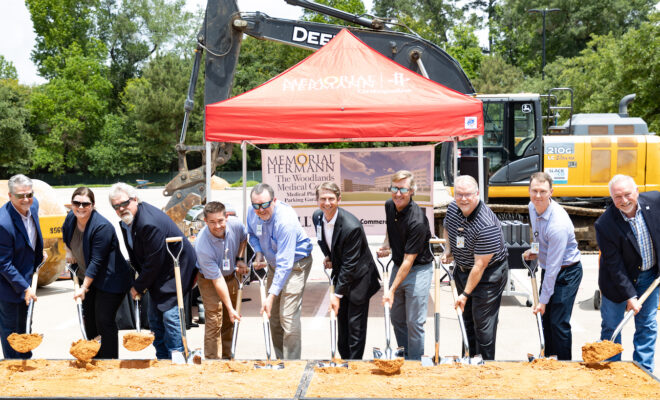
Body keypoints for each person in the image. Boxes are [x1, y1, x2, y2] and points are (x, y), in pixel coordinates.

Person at [109, 182, 198, 360]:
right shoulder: (129, 221)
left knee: (170, 317)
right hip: (159, 273)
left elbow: (154, 262)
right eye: (116, 206)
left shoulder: (148, 223)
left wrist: (138, 286)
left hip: (175, 272)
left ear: (135, 199)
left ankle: (177, 357)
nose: (121, 209)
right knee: (155, 319)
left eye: (124, 203)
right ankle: (163, 359)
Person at [595, 174, 659, 372]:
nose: (623, 201)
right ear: (611, 198)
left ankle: (643, 370)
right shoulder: (604, 224)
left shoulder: (656, 201)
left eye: (627, 194)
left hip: (649, 278)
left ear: (637, 191)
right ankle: (612, 371)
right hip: (616, 283)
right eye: (617, 197)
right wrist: (630, 296)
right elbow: (614, 265)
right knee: (612, 326)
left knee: (647, 326)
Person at [441, 174, 508, 360]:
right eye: (459, 194)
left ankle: (485, 365)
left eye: (468, 194)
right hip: (463, 270)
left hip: (488, 275)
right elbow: (447, 227)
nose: (463, 199)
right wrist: (448, 250)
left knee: (482, 324)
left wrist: (464, 295)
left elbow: (480, 265)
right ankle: (468, 361)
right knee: (466, 321)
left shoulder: (486, 225)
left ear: (477, 194)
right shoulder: (454, 208)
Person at [313, 182, 381, 360]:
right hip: (343, 273)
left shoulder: (352, 227)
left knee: (355, 327)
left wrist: (337, 295)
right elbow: (323, 240)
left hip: (360, 279)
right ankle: (344, 361)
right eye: (323, 199)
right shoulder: (317, 217)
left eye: (331, 199)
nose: (327, 203)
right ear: (317, 200)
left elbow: (350, 264)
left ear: (339, 199)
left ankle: (355, 365)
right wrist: (329, 256)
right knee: (341, 324)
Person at [63, 187, 133, 359]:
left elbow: (96, 261)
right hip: (87, 277)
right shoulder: (71, 218)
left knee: (104, 319)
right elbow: (65, 236)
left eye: (85, 204)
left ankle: (109, 361)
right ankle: (94, 357)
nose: (80, 207)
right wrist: (69, 251)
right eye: (76, 203)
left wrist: (83, 288)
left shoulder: (102, 227)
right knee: (90, 321)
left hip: (111, 279)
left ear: (93, 205)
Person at [247, 183, 313, 360]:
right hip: (274, 265)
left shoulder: (285, 221)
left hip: (296, 265)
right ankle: (279, 360)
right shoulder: (251, 213)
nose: (260, 210)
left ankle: (292, 364)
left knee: (287, 317)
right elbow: (252, 235)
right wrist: (259, 252)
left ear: (274, 200)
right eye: (256, 206)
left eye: (264, 205)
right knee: (274, 317)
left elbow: (285, 263)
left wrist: (271, 295)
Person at [523, 172, 583, 360]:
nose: (538, 196)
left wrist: (543, 301)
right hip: (550, 267)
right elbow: (538, 234)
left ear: (551, 192)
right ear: (529, 191)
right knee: (545, 319)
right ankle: (549, 359)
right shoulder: (532, 207)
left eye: (543, 191)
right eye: (535, 191)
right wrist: (535, 250)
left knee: (558, 322)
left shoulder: (558, 224)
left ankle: (564, 365)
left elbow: (554, 268)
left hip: (567, 271)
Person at [377, 170, 434, 360]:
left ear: (412, 191)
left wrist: (391, 290)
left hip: (418, 269)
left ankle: (416, 362)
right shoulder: (389, 205)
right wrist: (387, 244)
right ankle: (404, 355)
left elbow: (409, 261)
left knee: (414, 322)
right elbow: (390, 226)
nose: (398, 193)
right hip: (398, 265)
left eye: (403, 189)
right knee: (397, 318)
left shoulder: (417, 220)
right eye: (394, 188)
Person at [0, 175, 44, 359]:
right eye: (20, 196)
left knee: (26, 324)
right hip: (8, 286)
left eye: (29, 194)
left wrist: (38, 253)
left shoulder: (33, 205)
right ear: (10, 196)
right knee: (12, 331)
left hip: (27, 277)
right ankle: (13, 369)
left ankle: (25, 362)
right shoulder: (3, 224)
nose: (26, 199)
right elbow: (4, 263)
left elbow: (29, 238)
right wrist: (25, 288)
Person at [194, 201, 244, 359]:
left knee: (230, 321)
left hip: (231, 277)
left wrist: (240, 258)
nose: (217, 226)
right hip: (210, 280)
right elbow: (217, 280)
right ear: (205, 221)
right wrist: (230, 307)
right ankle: (212, 360)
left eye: (220, 221)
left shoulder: (236, 225)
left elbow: (244, 238)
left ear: (227, 217)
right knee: (215, 319)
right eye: (212, 222)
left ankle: (228, 358)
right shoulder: (202, 245)